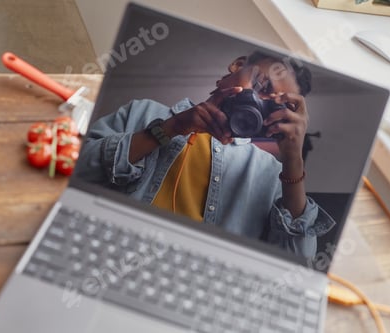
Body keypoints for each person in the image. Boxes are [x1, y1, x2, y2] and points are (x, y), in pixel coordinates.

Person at [76, 51, 335, 259]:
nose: (258, 101)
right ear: (237, 65)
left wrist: (293, 160)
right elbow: (77, 172)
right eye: (260, 84)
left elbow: (296, 262)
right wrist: (170, 128)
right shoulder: (144, 112)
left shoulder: (268, 172)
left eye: (274, 104)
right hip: (106, 254)